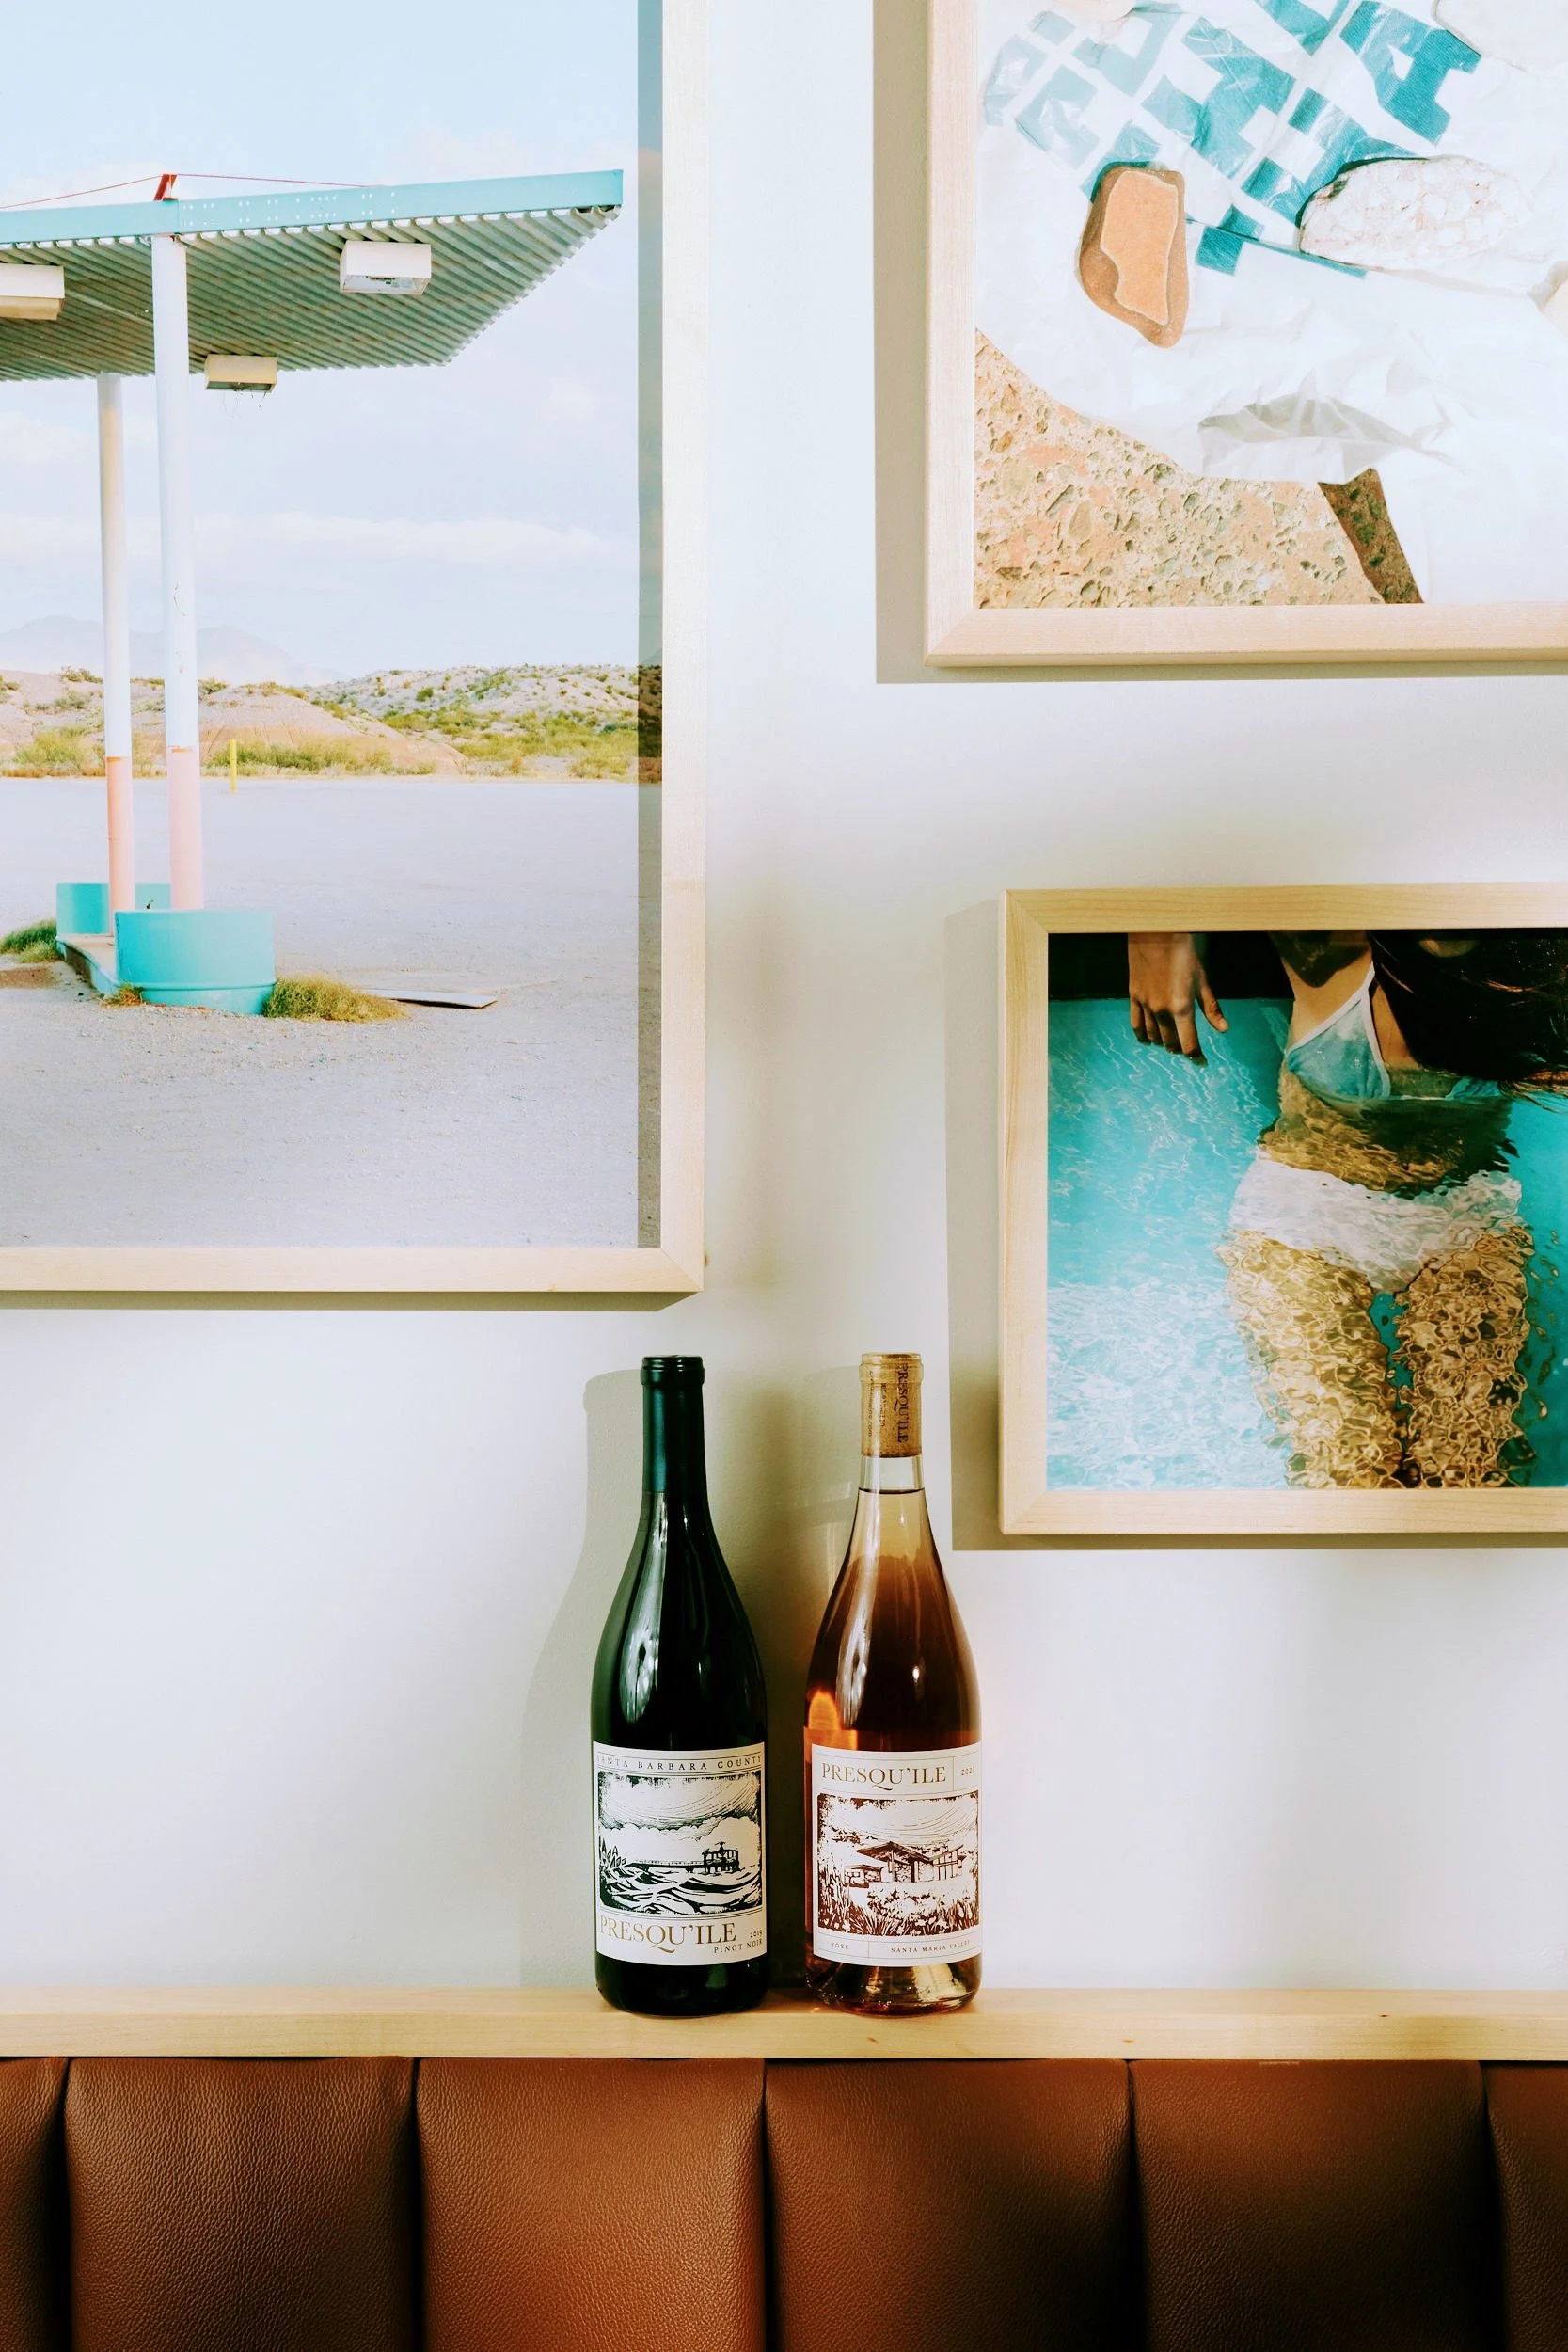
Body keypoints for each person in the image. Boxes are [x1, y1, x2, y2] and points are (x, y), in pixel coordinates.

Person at [1128, 929, 1568, 1488]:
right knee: (1349, 1473)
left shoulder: (1539, 971)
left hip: (1466, 1215)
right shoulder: (1329, 942)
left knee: (1468, 1476)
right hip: (1305, 1216)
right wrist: (1157, 928)